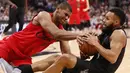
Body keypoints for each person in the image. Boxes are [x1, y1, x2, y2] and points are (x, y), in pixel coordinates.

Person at [0, 2, 85, 73]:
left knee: (58, 59)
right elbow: (55, 33)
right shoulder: (44, 15)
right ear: (58, 9)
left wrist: (82, 61)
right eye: (65, 14)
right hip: (9, 47)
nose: (66, 18)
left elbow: (67, 54)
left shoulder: (61, 31)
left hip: (23, 58)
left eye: (68, 17)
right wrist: (79, 35)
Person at [36, 7, 127, 73]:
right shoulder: (106, 32)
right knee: (56, 58)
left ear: (116, 22)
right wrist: (84, 52)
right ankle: (25, 69)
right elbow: (95, 52)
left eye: (107, 19)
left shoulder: (118, 33)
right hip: (92, 66)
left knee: (65, 58)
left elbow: (113, 58)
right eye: (104, 17)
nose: (103, 20)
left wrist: (95, 44)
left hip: (100, 70)